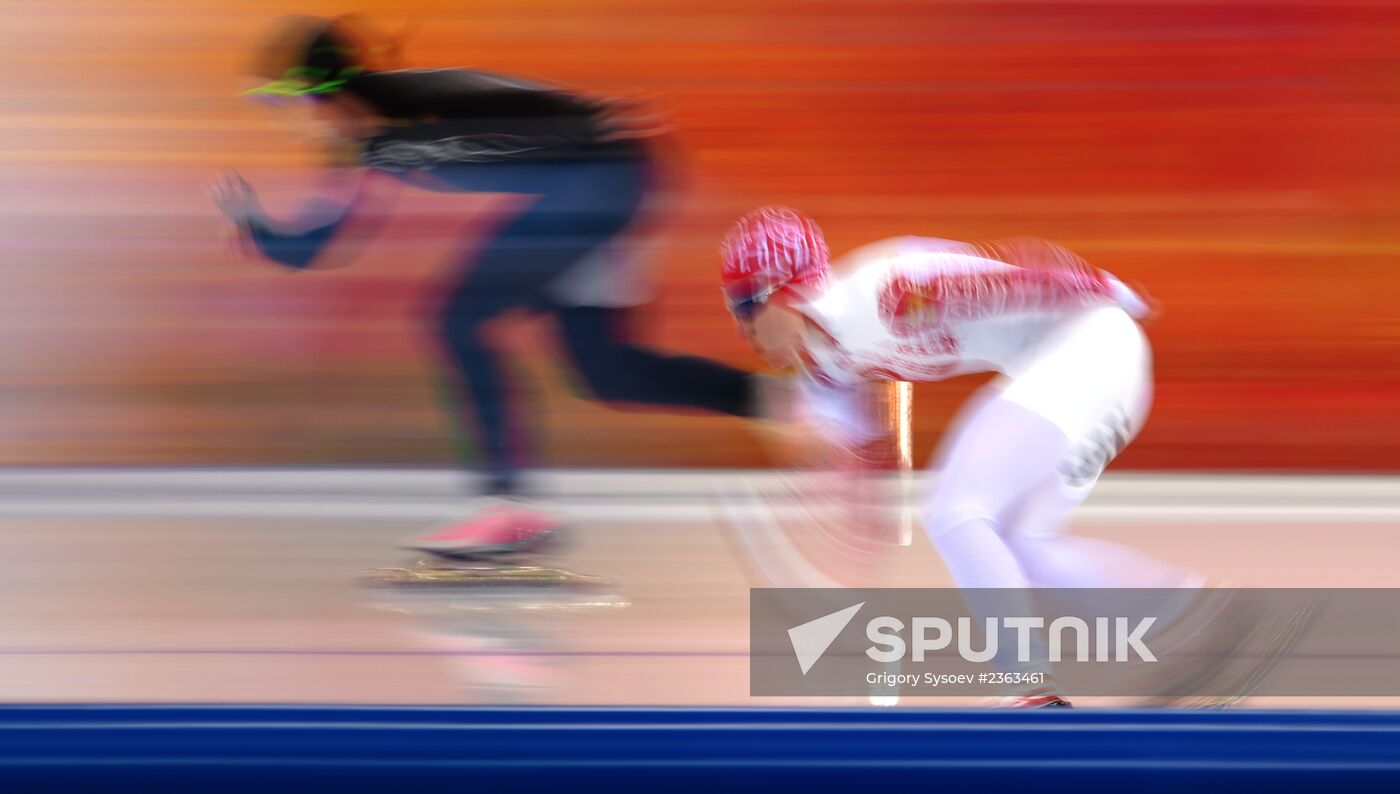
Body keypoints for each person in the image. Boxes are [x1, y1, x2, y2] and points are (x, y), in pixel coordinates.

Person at [210, 15, 774, 557]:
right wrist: (255, 230)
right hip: (610, 180)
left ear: (320, 93)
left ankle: (509, 506)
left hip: (604, 179)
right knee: (606, 370)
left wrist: (592, 119)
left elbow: (515, 99)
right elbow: (323, 243)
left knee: (456, 318)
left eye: (283, 103)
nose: (286, 119)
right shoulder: (371, 146)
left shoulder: (424, 105)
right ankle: (785, 400)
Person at [719, 206, 1203, 707]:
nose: (740, 329)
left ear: (782, 291)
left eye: (744, 306)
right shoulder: (825, 366)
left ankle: (1029, 689)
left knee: (956, 511)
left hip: (1094, 343)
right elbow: (869, 473)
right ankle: (1197, 617)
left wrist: (1112, 289)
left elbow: (1024, 275)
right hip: (1083, 368)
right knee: (1022, 546)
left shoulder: (886, 292)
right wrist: (854, 574)